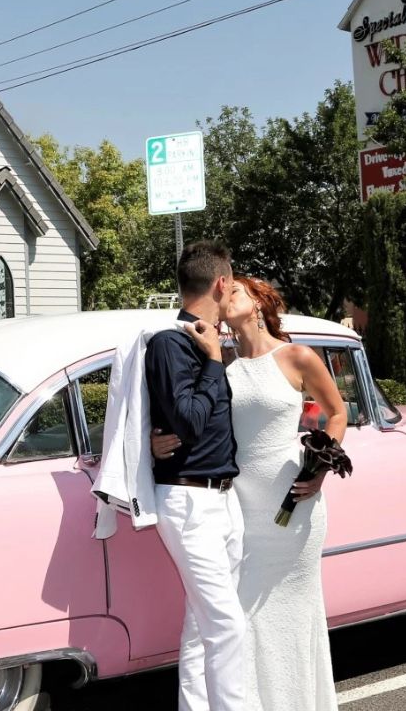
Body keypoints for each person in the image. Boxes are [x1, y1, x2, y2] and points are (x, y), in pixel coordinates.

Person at [156, 276, 347, 711]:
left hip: (293, 503)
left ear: (258, 303)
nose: (226, 297)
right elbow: (191, 418)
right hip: (239, 510)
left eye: (236, 291)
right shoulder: (219, 362)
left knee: (293, 613)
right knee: (241, 619)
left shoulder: (296, 356)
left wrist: (321, 468)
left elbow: (336, 413)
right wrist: (154, 439)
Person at [144, 241, 251, 711]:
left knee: (201, 623)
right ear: (221, 283)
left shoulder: (212, 343)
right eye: (233, 285)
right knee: (227, 624)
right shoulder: (171, 343)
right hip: (189, 501)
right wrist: (211, 360)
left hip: (224, 499)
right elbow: (187, 421)